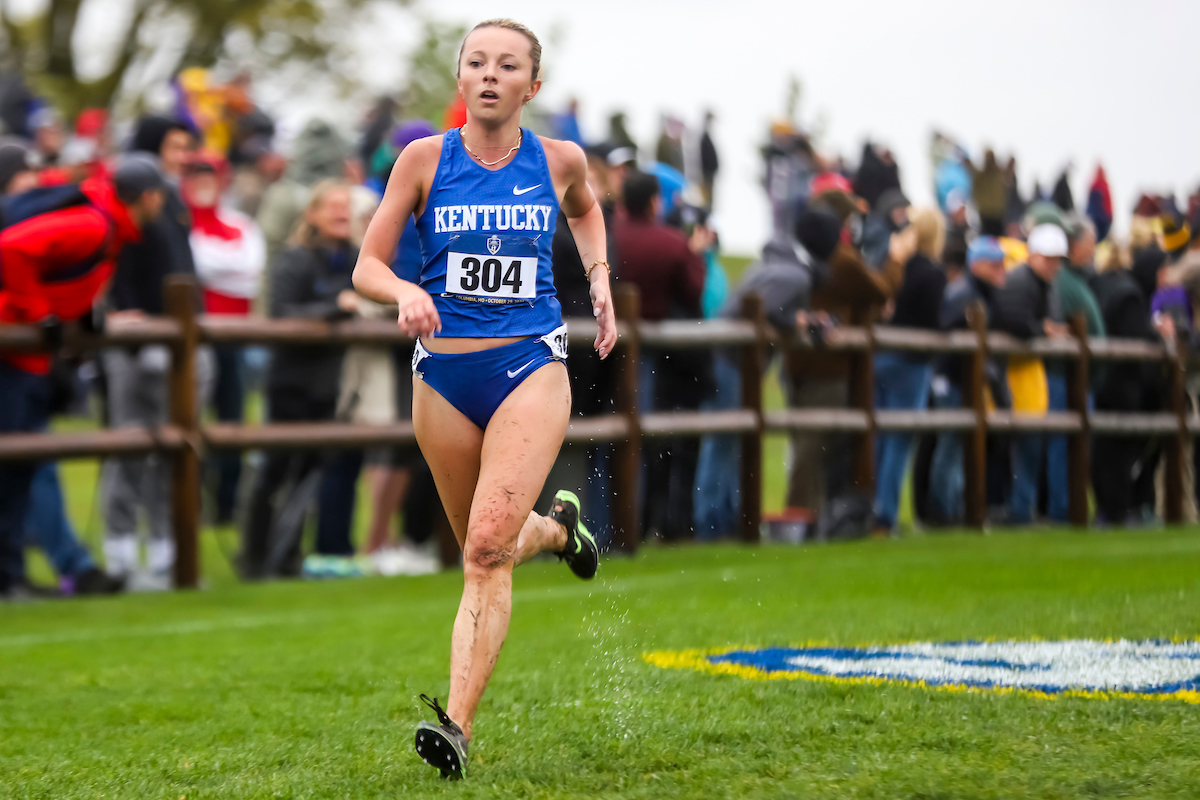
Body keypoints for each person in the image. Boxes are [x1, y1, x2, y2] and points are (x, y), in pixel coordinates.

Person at [351, 19, 616, 778]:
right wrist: (404, 290)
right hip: (442, 376)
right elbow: (367, 264)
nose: (490, 75)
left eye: (508, 66)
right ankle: (561, 532)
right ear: (461, 80)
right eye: (477, 63)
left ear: (532, 86)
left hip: (529, 367)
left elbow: (586, 207)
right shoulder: (422, 160)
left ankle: (456, 727)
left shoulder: (558, 158)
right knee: (489, 543)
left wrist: (598, 277)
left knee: (484, 549)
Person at [0, 155, 167, 599]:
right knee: (14, 464)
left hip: (25, 358)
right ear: (149, 197)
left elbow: (61, 272)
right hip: (11, 353)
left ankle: (12, 578)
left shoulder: (108, 228)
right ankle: (9, 578)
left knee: (22, 464)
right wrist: (41, 315)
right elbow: (11, 248)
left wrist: (84, 314)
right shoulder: (94, 224)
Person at [102, 115, 209, 589]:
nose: (184, 156)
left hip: (180, 341)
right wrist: (122, 317)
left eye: (187, 147)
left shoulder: (173, 200)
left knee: (177, 449)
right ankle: (121, 556)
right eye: (174, 146)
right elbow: (117, 267)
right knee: (128, 445)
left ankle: (168, 555)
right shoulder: (127, 199)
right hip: (135, 342)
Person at [239, 180, 358, 579]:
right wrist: (334, 308)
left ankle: (286, 556)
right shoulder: (294, 259)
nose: (342, 213)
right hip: (291, 382)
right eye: (333, 207)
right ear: (312, 213)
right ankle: (254, 557)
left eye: (346, 206)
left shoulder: (356, 258)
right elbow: (281, 310)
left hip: (329, 384)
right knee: (275, 470)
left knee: (310, 473)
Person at [183, 153, 266, 525]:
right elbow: (191, 264)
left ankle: (227, 506)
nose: (204, 185)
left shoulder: (240, 224)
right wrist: (217, 266)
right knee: (190, 419)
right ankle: (191, 500)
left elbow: (249, 272)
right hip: (193, 338)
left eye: (210, 177)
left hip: (235, 335)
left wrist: (210, 268)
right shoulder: (182, 223)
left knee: (232, 418)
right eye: (195, 178)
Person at [872, 208, 947, 533]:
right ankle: (885, 514)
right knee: (900, 439)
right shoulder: (932, 272)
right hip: (912, 363)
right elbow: (933, 321)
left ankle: (872, 507)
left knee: (879, 436)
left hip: (883, 356)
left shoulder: (899, 265)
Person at [992, 223, 1071, 524]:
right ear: (1034, 255)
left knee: (1028, 443)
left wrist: (1045, 329)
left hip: (1027, 373)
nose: (1053, 264)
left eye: (1057, 259)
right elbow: (1014, 320)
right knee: (1023, 444)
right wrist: (1044, 330)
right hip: (1013, 373)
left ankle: (1021, 508)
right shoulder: (1021, 282)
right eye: (1048, 258)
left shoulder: (1041, 284)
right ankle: (1018, 509)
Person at [928, 236, 1008, 523]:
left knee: (956, 447)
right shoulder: (965, 294)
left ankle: (953, 509)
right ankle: (944, 513)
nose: (1001, 270)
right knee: (951, 446)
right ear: (977, 264)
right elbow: (947, 332)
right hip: (951, 379)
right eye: (994, 264)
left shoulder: (978, 292)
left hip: (961, 380)